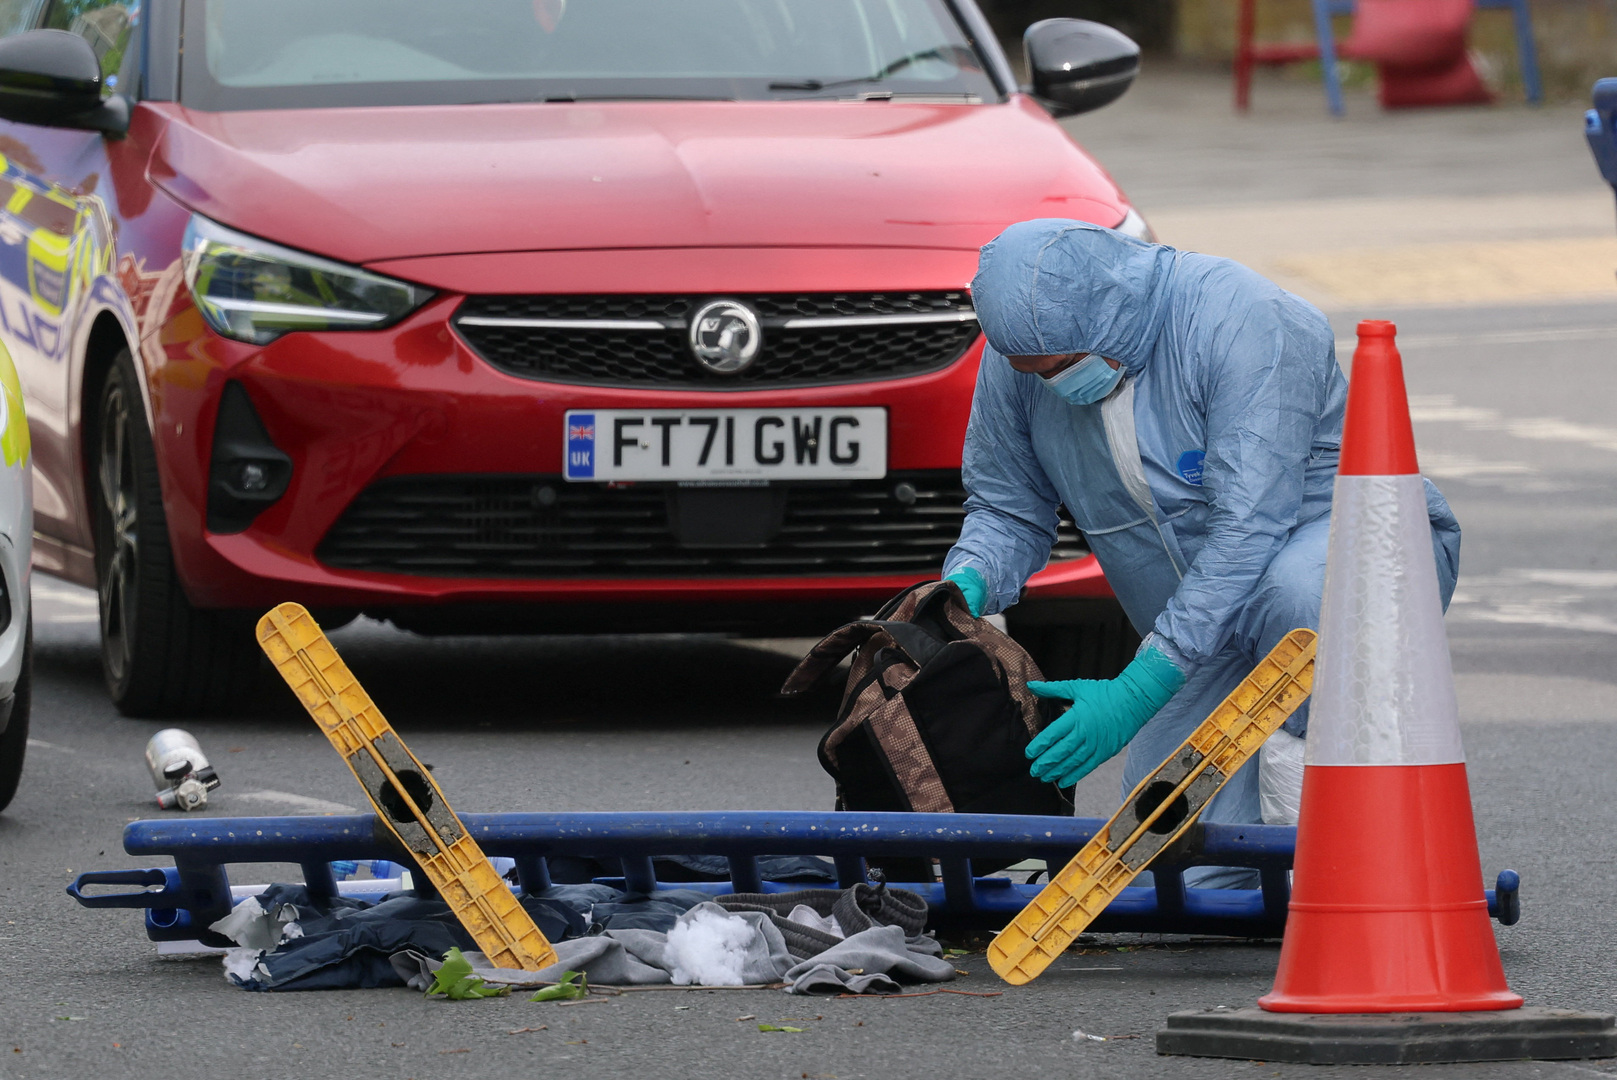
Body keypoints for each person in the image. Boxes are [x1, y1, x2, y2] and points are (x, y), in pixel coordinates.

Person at [940, 219, 1461, 887]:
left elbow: (1250, 525)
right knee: (1170, 872)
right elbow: (1006, 506)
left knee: (1297, 597)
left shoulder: (1244, 320)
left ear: (1109, 310)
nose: (1051, 384)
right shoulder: (1021, 355)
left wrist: (1140, 686)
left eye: (1062, 367)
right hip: (1201, 631)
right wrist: (960, 591)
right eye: (1032, 372)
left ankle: (1345, 854)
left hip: (1345, 561)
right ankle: (1286, 859)